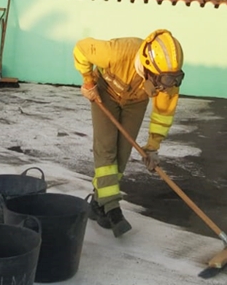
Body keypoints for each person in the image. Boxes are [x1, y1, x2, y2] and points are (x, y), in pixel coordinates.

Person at [73, 29, 185, 238]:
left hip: (135, 101)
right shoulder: (116, 52)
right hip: (105, 93)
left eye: (170, 80)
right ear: (148, 66)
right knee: (106, 148)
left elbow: (163, 114)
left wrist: (152, 147)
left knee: (123, 153)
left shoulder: (167, 79)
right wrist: (88, 80)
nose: (165, 87)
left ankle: (98, 204)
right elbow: (81, 48)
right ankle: (113, 209)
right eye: (161, 81)